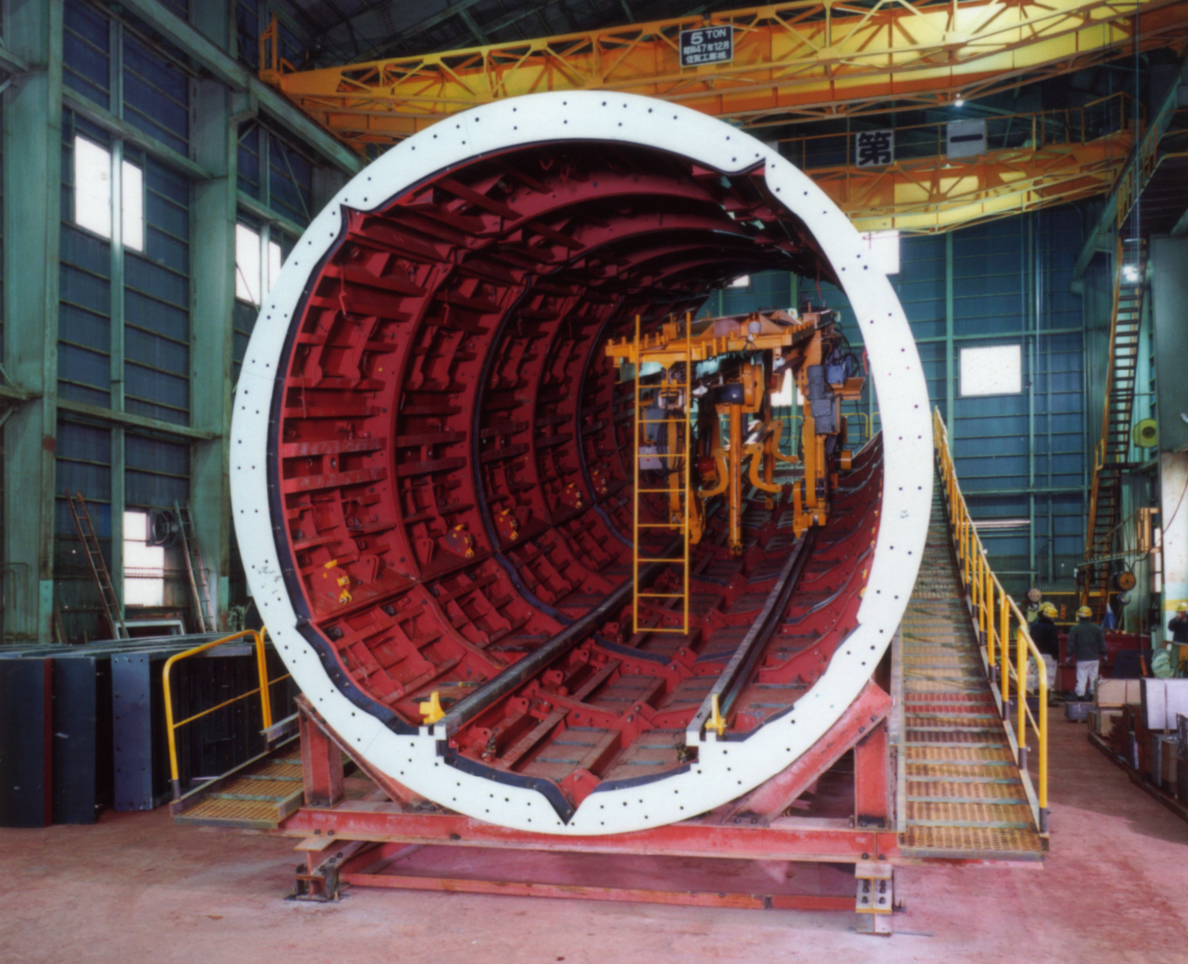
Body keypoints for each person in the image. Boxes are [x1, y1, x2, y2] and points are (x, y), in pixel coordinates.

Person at [1067, 605, 1107, 702]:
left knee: (1081, 678)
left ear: (1079, 616)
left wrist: (1068, 656)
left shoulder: (1074, 629)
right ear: (1090, 616)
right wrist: (1104, 655)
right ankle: (1093, 697)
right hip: (1094, 658)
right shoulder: (1096, 628)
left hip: (1081, 658)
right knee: (1094, 677)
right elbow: (1102, 643)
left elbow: (1070, 643)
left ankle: (1080, 697)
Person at [1029, 602, 1060, 700]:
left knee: (1037, 675)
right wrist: (1056, 655)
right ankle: (1046, 699)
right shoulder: (1052, 628)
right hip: (1048, 655)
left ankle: (1037, 698)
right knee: (1049, 676)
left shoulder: (1034, 625)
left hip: (1036, 654)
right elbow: (1053, 643)